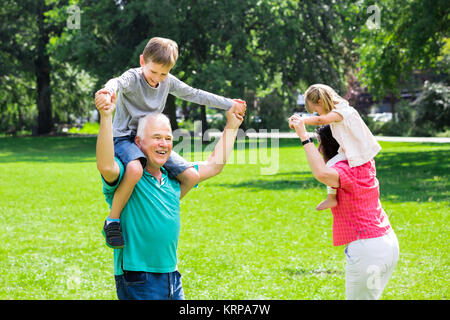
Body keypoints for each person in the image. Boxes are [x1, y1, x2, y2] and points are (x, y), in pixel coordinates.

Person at [95, 37, 247, 249]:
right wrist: (107, 92)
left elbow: (195, 94)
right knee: (134, 169)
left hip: (151, 138)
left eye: (164, 73)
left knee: (191, 176)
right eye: (153, 72)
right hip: (125, 137)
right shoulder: (133, 77)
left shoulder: (167, 82)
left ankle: (162, 206)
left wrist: (229, 103)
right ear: (142, 61)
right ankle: (113, 221)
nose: (157, 78)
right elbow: (116, 82)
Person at [95, 90, 243, 300]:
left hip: (172, 276)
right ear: (138, 142)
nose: (163, 144)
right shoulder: (129, 176)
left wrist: (232, 126)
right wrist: (106, 117)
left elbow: (213, 166)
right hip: (137, 276)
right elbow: (105, 165)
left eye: (168, 138)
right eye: (156, 138)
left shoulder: (172, 179)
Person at [288, 117, 399, 300]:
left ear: (332, 146)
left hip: (368, 249)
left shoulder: (345, 170)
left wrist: (303, 137)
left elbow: (321, 173)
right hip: (388, 244)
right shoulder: (364, 162)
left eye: (320, 144)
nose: (318, 149)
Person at [289, 84, 380, 211]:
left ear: (320, 102)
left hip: (358, 152)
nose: (317, 114)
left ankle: (331, 198)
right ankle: (331, 197)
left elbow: (321, 120)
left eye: (316, 110)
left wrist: (301, 121)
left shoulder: (341, 111)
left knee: (330, 165)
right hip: (352, 150)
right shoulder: (342, 108)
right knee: (331, 165)